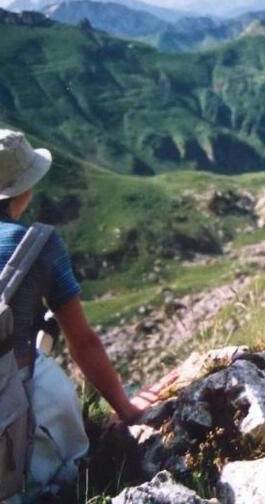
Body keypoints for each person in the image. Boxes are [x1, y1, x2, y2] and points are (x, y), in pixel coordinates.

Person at [0, 129, 143, 501]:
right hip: (16, 389)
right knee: (68, 453)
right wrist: (126, 410)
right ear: (24, 190)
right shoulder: (38, 245)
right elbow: (82, 341)